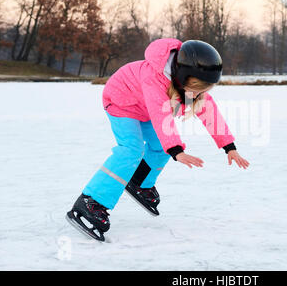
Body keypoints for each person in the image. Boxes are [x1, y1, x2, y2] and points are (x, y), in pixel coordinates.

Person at [66, 38, 250, 241]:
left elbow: (209, 111)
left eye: (203, 90)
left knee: (161, 147)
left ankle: (140, 182)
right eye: (197, 88)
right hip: (121, 103)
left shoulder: (189, 85)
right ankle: (91, 202)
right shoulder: (154, 78)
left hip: (143, 109)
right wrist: (176, 150)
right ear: (183, 77)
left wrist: (228, 146)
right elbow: (161, 116)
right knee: (131, 150)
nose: (199, 94)